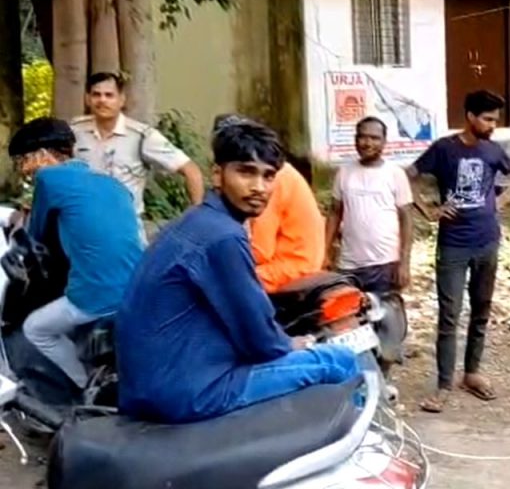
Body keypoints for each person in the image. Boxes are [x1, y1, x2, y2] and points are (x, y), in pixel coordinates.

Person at [116, 121, 360, 424]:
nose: (259, 187)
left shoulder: (195, 221)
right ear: (218, 174)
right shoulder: (224, 236)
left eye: (268, 176)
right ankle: (360, 444)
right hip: (190, 392)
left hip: (148, 385)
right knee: (338, 361)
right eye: (246, 172)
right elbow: (260, 338)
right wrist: (288, 345)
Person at [407, 90, 510, 413]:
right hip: (453, 245)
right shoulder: (444, 149)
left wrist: (502, 200)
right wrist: (428, 210)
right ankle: (444, 385)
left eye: (495, 120)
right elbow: (408, 176)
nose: (492, 125)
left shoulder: (493, 149)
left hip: (487, 241)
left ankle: (472, 373)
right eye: (487, 119)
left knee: (481, 310)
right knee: (449, 315)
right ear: (471, 117)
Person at [8, 118, 143, 390]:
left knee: (36, 328)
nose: (23, 169)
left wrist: (19, 221)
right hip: (137, 287)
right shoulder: (112, 183)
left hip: (97, 293)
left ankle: (85, 384)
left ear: (42, 154)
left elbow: (36, 236)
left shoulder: (49, 178)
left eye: (24, 160)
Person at [71, 72, 204, 226]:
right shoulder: (74, 131)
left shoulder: (141, 136)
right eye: (96, 95)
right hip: (83, 223)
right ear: (87, 99)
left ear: (121, 100)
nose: (102, 100)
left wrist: (197, 217)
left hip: (125, 224)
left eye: (109, 95)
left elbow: (191, 170)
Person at [212, 114, 325, 294]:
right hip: (289, 262)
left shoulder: (270, 179)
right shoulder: (271, 172)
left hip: (292, 266)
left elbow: (261, 251)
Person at [324, 116, 414, 295]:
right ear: (355, 139)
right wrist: (324, 252)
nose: (367, 143)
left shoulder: (395, 174)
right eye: (362, 137)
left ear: (384, 142)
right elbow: (334, 213)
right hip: (349, 264)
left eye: (374, 138)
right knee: (349, 311)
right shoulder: (344, 172)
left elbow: (406, 220)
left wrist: (404, 263)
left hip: (385, 264)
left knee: (385, 311)